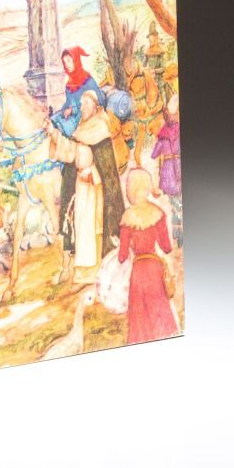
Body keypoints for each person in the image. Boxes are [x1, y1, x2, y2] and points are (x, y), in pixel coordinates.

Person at [117, 167, 178, 343]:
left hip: (138, 271)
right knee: (160, 315)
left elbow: (121, 257)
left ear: (131, 189)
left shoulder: (127, 217)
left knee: (140, 319)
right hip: (154, 268)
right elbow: (166, 248)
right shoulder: (157, 213)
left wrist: (128, 246)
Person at [67, 89, 126, 251]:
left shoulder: (100, 127)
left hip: (98, 187)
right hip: (84, 188)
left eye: (86, 104)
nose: (82, 108)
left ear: (95, 105)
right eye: (81, 105)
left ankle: (110, 240)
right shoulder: (82, 126)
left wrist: (92, 172)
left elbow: (108, 173)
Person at [149, 92, 181, 232]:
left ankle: (177, 229)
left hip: (168, 172)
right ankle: (179, 230)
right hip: (179, 168)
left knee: (174, 202)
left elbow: (154, 154)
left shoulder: (163, 134)